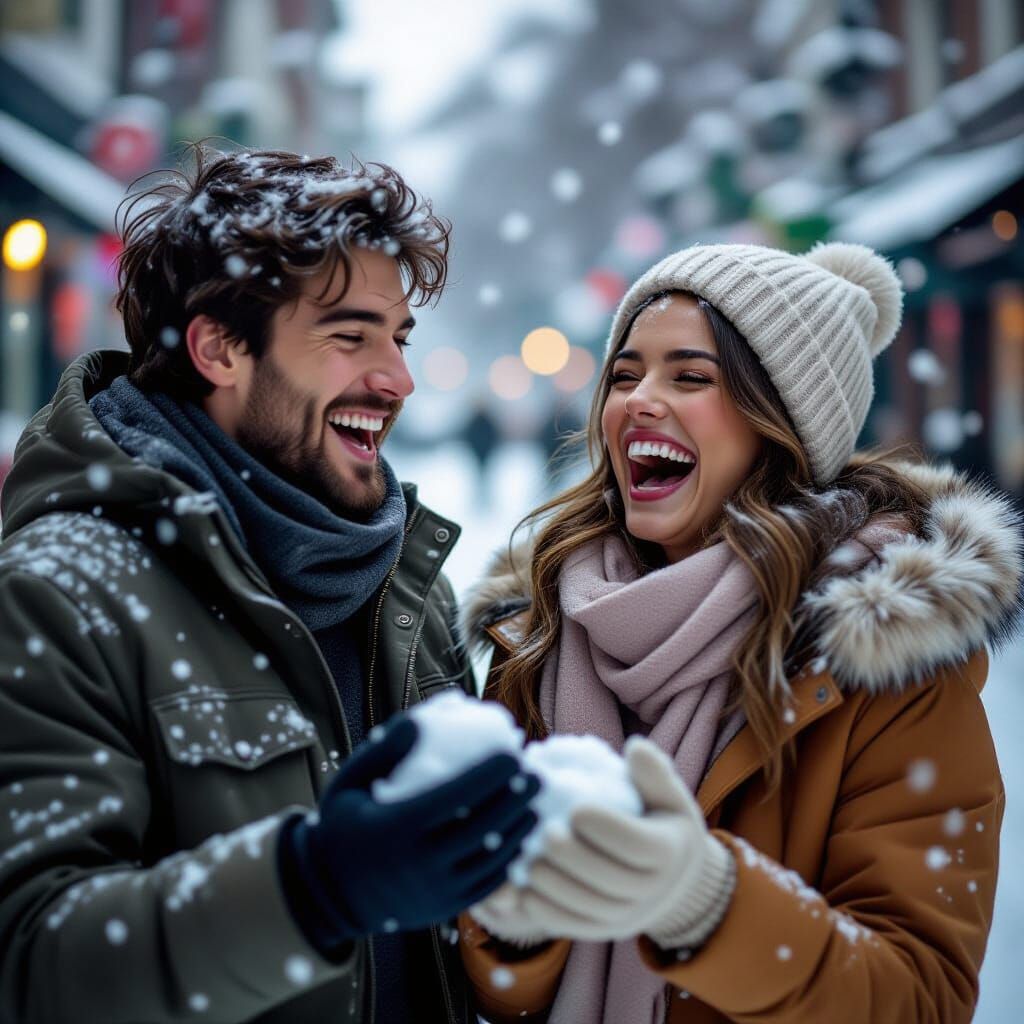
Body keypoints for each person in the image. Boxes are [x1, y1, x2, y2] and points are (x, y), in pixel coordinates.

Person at [0, 146, 540, 1023]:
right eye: (350, 335)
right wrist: (308, 889)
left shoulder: (407, 591)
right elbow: (30, 963)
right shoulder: (61, 595)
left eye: (399, 338)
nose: (398, 379)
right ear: (219, 348)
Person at [458, 241, 1023, 1024]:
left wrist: (708, 906)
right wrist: (517, 933)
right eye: (625, 375)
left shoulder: (885, 663)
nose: (638, 401)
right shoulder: (540, 631)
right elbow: (488, 989)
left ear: (782, 424)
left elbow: (919, 998)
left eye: (690, 377)